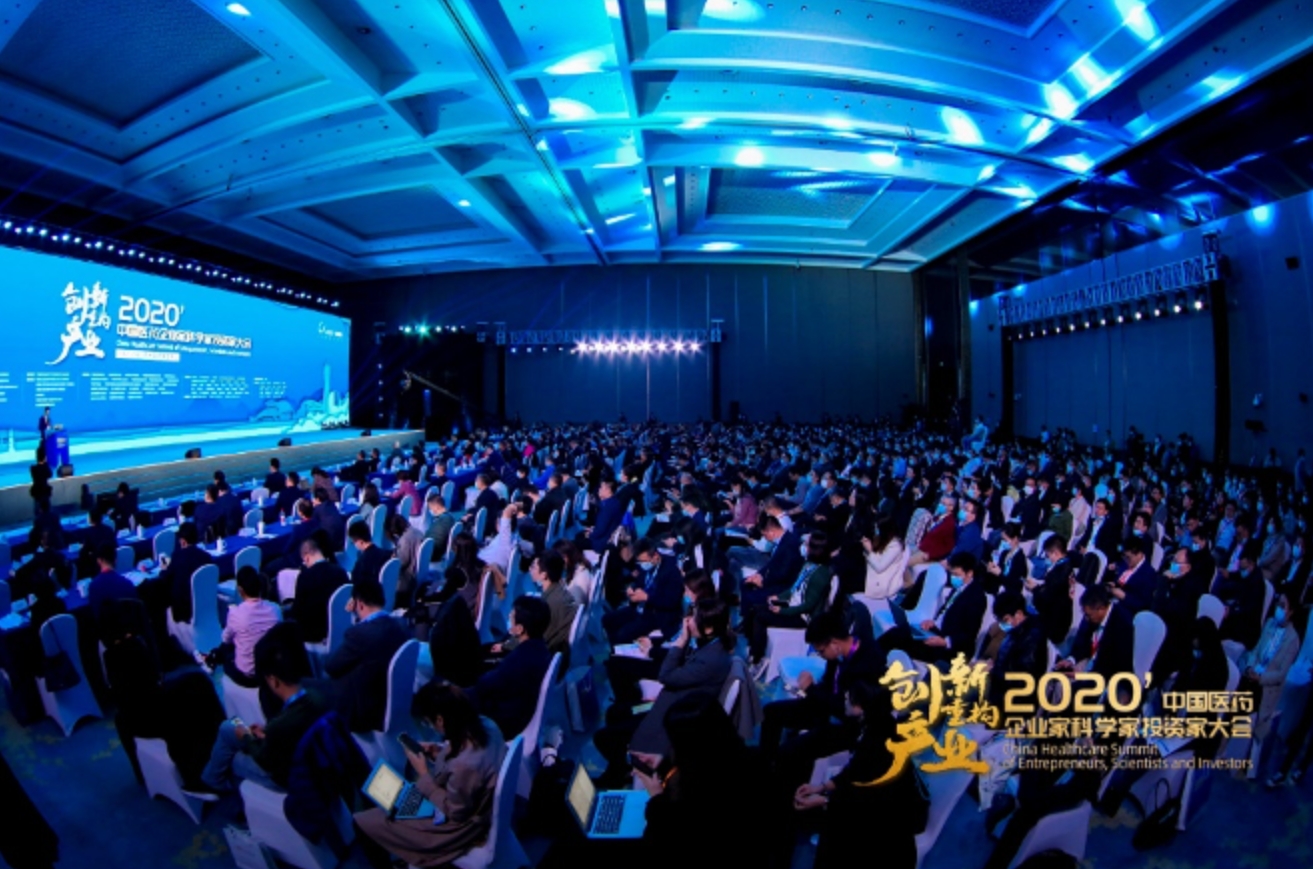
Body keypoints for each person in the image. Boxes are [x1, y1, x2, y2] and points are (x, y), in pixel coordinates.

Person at [355, 683, 506, 869]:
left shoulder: (465, 766)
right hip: (476, 806)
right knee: (394, 805)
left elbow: (455, 812)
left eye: (429, 722)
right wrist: (440, 751)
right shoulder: (487, 724)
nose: (431, 727)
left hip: (459, 827)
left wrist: (424, 774)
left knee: (363, 822)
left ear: (440, 720)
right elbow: (467, 759)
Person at [593, 598, 735, 787]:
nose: (688, 621)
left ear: (709, 629)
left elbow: (665, 676)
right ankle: (619, 769)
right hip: (667, 702)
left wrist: (681, 641)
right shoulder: (709, 644)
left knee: (602, 738)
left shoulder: (710, 659)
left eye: (694, 618)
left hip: (670, 717)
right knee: (615, 712)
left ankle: (622, 770)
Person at [793, 681, 927, 869]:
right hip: (880, 804)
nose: (844, 701)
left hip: (892, 823)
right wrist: (821, 787)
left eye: (847, 699)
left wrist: (824, 800)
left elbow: (868, 798)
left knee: (835, 819)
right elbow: (856, 771)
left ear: (860, 707)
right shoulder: (876, 724)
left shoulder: (879, 741)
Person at [759, 610, 887, 791]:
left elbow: (845, 710)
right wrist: (813, 689)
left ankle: (791, 792)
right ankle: (765, 766)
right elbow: (828, 685)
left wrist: (811, 689)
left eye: (821, 651)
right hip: (826, 706)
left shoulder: (866, 667)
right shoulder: (839, 654)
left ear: (834, 643)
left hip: (845, 726)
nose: (821, 655)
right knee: (771, 712)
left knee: (790, 751)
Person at [199, 623, 329, 794]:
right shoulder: (320, 695)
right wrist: (265, 734)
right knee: (230, 725)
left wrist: (247, 736)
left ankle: (216, 788)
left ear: (273, 680)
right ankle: (211, 782)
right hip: (314, 768)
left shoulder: (280, 725)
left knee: (232, 755)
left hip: (287, 778)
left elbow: (265, 759)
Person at [325, 578, 410, 733]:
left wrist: (354, 619)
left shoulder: (359, 634)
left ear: (359, 604)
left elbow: (331, 667)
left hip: (363, 711)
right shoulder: (401, 625)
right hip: (389, 700)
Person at [877, 552, 987, 667]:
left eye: (956, 574)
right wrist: (933, 622)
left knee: (900, 641)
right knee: (896, 632)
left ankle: (877, 666)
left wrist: (945, 641)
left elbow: (969, 635)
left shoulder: (976, 598)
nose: (953, 577)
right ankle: (873, 660)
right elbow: (946, 613)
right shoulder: (959, 588)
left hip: (948, 647)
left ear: (969, 573)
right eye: (951, 574)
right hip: (936, 632)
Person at [465, 596, 552, 738]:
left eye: (512, 616)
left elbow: (485, 686)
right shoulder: (540, 648)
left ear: (520, 629)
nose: (509, 617)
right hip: (520, 708)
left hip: (507, 721)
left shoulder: (518, 660)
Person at [747, 530, 835, 669]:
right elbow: (794, 589)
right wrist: (779, 597)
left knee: (761, 617)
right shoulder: (808, 565)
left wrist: (782, 611)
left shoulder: (821, 575)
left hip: (802, 617)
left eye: (807, 544)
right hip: (791, 605)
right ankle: (754, 647)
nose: (804, 546)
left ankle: (757, 658)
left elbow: (808, 605)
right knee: (755, 608)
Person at [207, 567, 281, 689]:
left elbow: (226, 639)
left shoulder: (236, 613)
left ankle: (211, 661)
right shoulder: (275, 609)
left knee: (227, 651)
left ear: (240, 590)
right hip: (270, 669)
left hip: (248, 676)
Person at [603, 537, 685, 645]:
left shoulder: (671, 572)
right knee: (608, 620)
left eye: (644, 561)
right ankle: (614, 648)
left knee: (623, 634)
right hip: (640, 608)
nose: (642, 564)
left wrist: (647, 597)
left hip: (656, 615)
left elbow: (671, 601)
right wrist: (633, 589)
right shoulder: (645, 567)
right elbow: (640, 582)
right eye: (640, 561)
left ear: (655, 556)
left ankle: (622, 650)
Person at [497, 551, 576, 657]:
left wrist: (504, 646)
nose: (530, 569)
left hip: (546, 654)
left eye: (533, 567)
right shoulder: (561, 591)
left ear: (544, 575)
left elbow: (533, 638)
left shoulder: (549, 604)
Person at [985, 592, 1049, 710]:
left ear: (1019, 614)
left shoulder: (1033, 637)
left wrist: (993, 671)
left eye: (1005, 619)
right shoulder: (1014, 633)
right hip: (1000, 691)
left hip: (1016, 700)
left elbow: (1023, 678)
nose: (1003, 624)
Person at [1057, 584, 1134, 680]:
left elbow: (1115, 666)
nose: (1086, 619)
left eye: (1089, 615)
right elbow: (1084, 644)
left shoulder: (1122, 625)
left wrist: (1083, 676)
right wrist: (1071, 660)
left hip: (1105, 677)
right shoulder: (1092, 619)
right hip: (1090, 665)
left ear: (1101, 609)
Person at [290, 536, 349, 644]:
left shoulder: (305, 577)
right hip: (340, 629)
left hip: (314, 635)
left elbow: (298, 611)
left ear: (306, 558)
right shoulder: (340, 572)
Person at [164, 522, 214, 624]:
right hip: (205, 603)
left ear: (182, 541)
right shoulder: (206, 556)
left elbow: (166, 577)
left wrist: (165, 569)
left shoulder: (177, 557)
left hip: (185, 610)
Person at [87, 543, 137, 620]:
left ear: (99, 561)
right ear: (116, 560)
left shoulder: (93, 587)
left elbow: (96, 616)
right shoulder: (127, 584)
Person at [860, 517, 904, 600]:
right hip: (871, 573)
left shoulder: (895, 546)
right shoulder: (882, 539)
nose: (876, 531)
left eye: (877, 529)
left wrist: (869, 551)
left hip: (881, 582)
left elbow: (880, 567)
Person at [388, 513, 425, 609]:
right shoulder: (418, 532)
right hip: (417, 571)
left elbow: (401, 563)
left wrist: (394, 557)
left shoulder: (405, 540)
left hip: (408, 577)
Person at [348, 519, 389, 586]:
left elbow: (354, 584)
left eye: (353, 542)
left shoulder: (361, 564)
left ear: (360, 542)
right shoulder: (386, 554)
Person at [422, 491, 456, 561]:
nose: (430, 510)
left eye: (430, 508)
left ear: (436, 507)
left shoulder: (442, 521)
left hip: (433, 553)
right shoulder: (451, 518)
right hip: (438, 550)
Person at [312, 486, 346, 552]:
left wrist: (314, 507)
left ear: (317, 499)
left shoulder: (317, 510)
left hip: (331, 544)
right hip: (342, 541)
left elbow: (313, 525)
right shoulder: (332, 505)